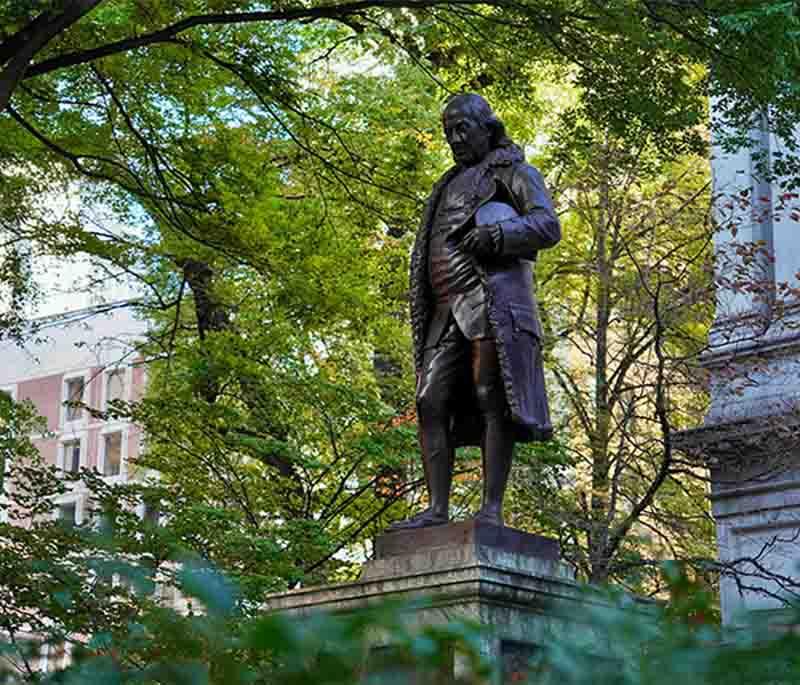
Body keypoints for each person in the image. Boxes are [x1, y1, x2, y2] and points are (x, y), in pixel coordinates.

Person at [392, 93, 561, 529]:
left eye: (462, 128)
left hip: (491, 301)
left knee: (491, 396)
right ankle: (436, 510)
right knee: (430, 400)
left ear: (488, 127)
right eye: (448, 131)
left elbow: (547, 225)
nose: (454, 139)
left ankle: (491, 510)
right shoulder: (446, 185)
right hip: (445, 306)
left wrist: (500, 235)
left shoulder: (516, 174)